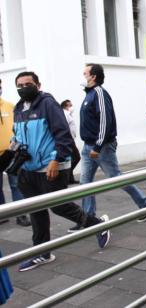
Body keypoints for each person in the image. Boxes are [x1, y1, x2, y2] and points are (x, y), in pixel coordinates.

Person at [12, 71, 110, 271]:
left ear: (38, 85)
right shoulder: (19, 109)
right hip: (28, 170)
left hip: (50, 168)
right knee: (36, 212)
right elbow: (18, 136)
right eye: (19, 85)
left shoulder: (48, 104)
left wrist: (56, 160)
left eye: (28, 84)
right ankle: (42, 253)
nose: (23, 88)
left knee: (60, 206)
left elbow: (63, 135)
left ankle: (98, 224)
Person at [76, 63, 146, 231]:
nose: (83, 76)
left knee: (116, 179)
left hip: (101, 147)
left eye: (85, 73)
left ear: (93, 76)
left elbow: (105, 121)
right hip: (88, 146)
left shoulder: (99, 94)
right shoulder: (88, 95)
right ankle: (88, 219)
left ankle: (145, 204)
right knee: (85, 183)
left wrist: (97, 146)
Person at [0, 78, 31, 226]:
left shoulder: (10, 106)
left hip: (11, 153)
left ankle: (21, 215)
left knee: (16, 184)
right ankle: (2, 213)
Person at [60, 99, 81, 184]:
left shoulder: (68, 114)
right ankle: (67, 176)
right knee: (76, 157)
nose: (72, 107)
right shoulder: (65, 113)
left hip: (71, 139)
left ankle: (70, 178)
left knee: (72, 158)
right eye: (70, 105)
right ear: (65, 106)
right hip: (68, 140)